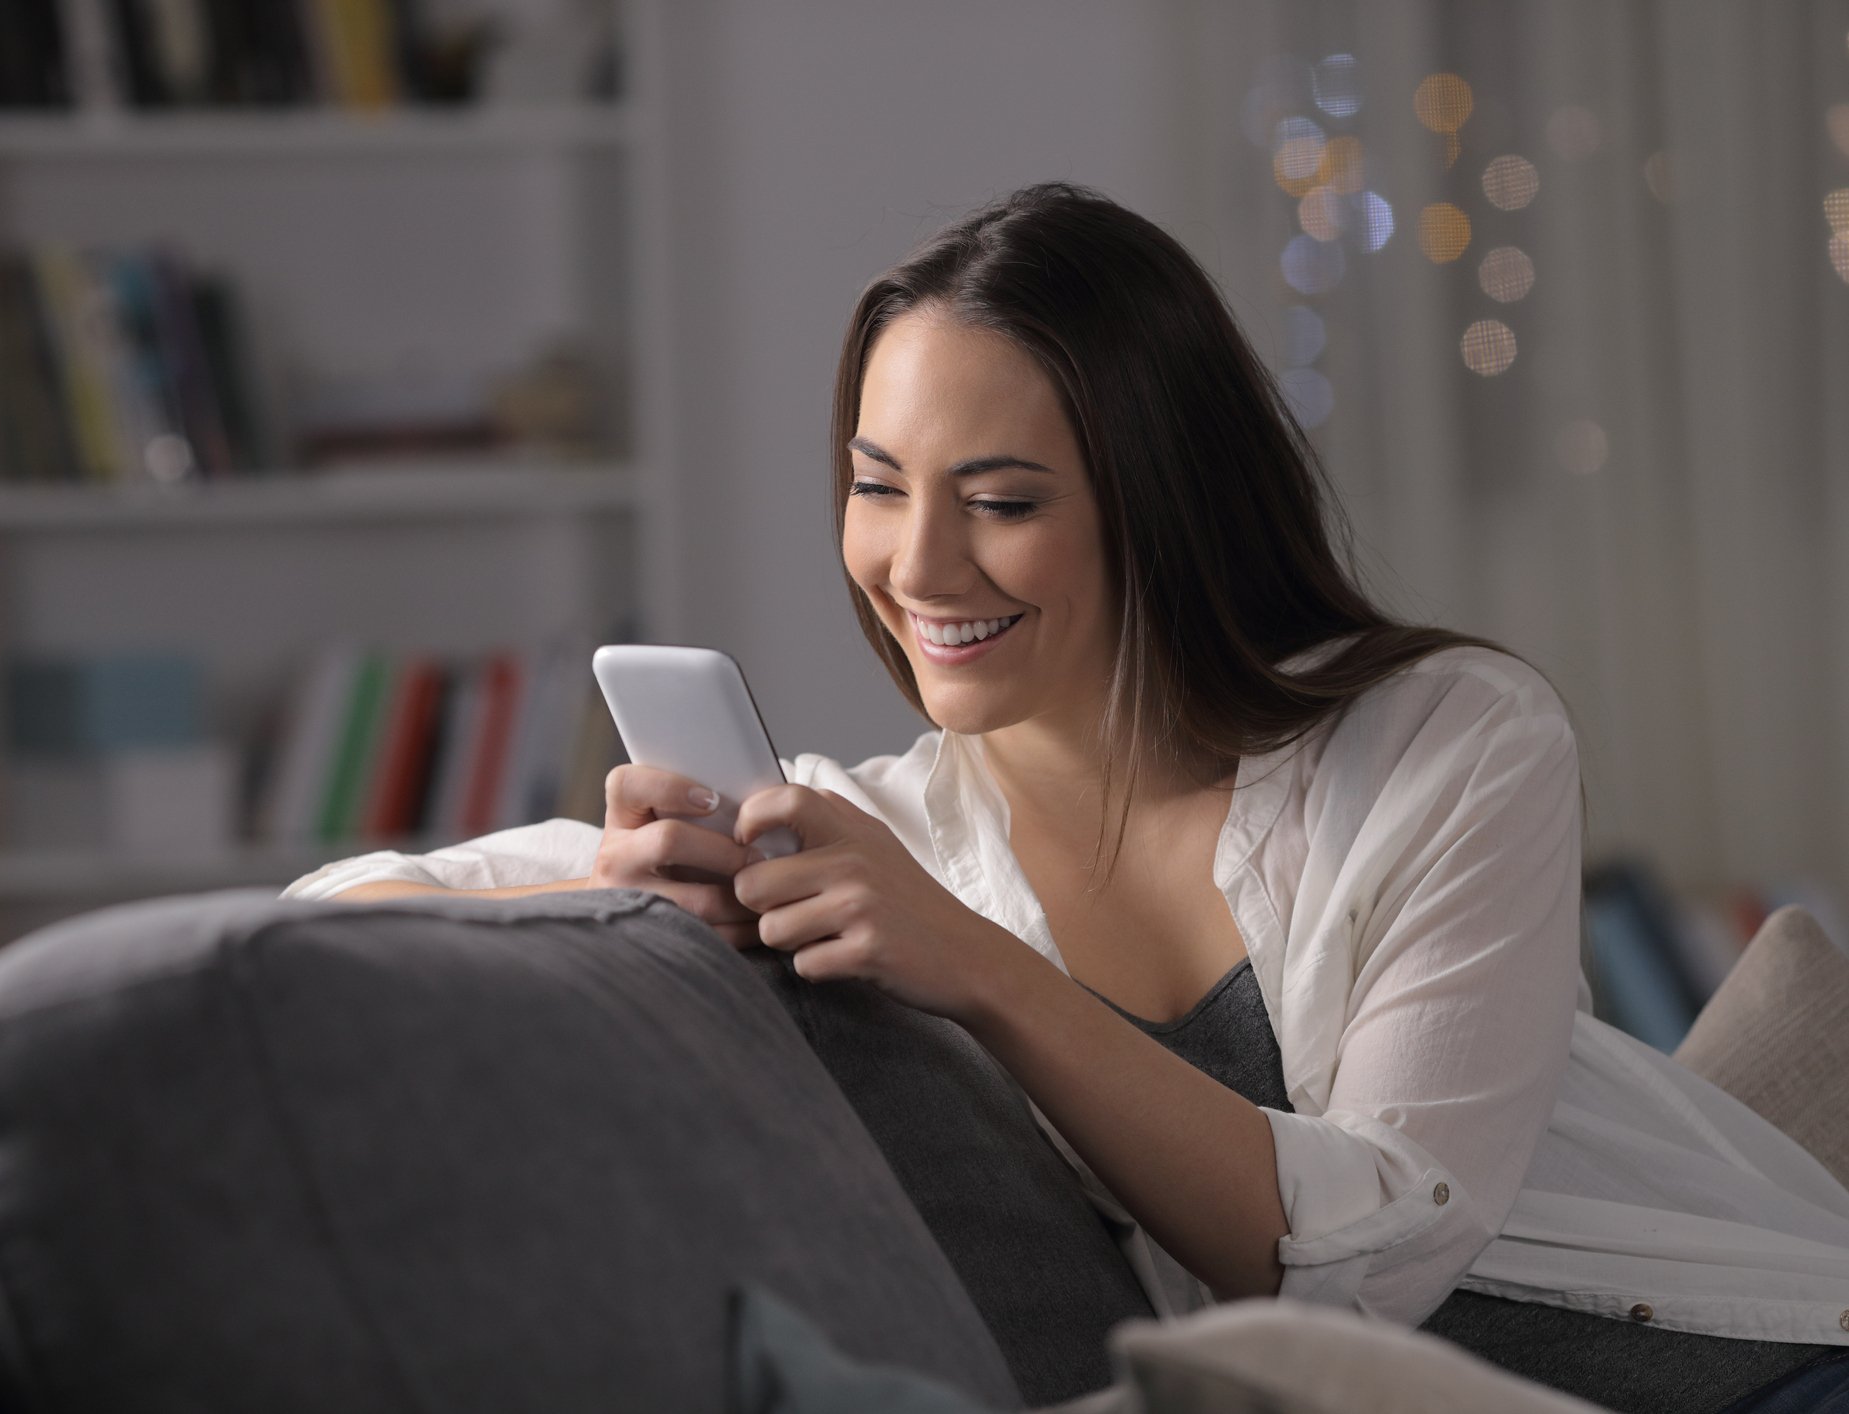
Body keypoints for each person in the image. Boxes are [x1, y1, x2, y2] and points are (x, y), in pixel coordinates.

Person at [282, 182, 1849, 1412]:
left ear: (1159, 502)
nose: (916, 565)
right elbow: (333, 910)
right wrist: (621, 897)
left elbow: (1370, 1261)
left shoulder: (1449, 737)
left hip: (1758, 1371)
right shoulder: (875, 827)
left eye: (1002, 500)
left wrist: (976, 969)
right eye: (876, 482)